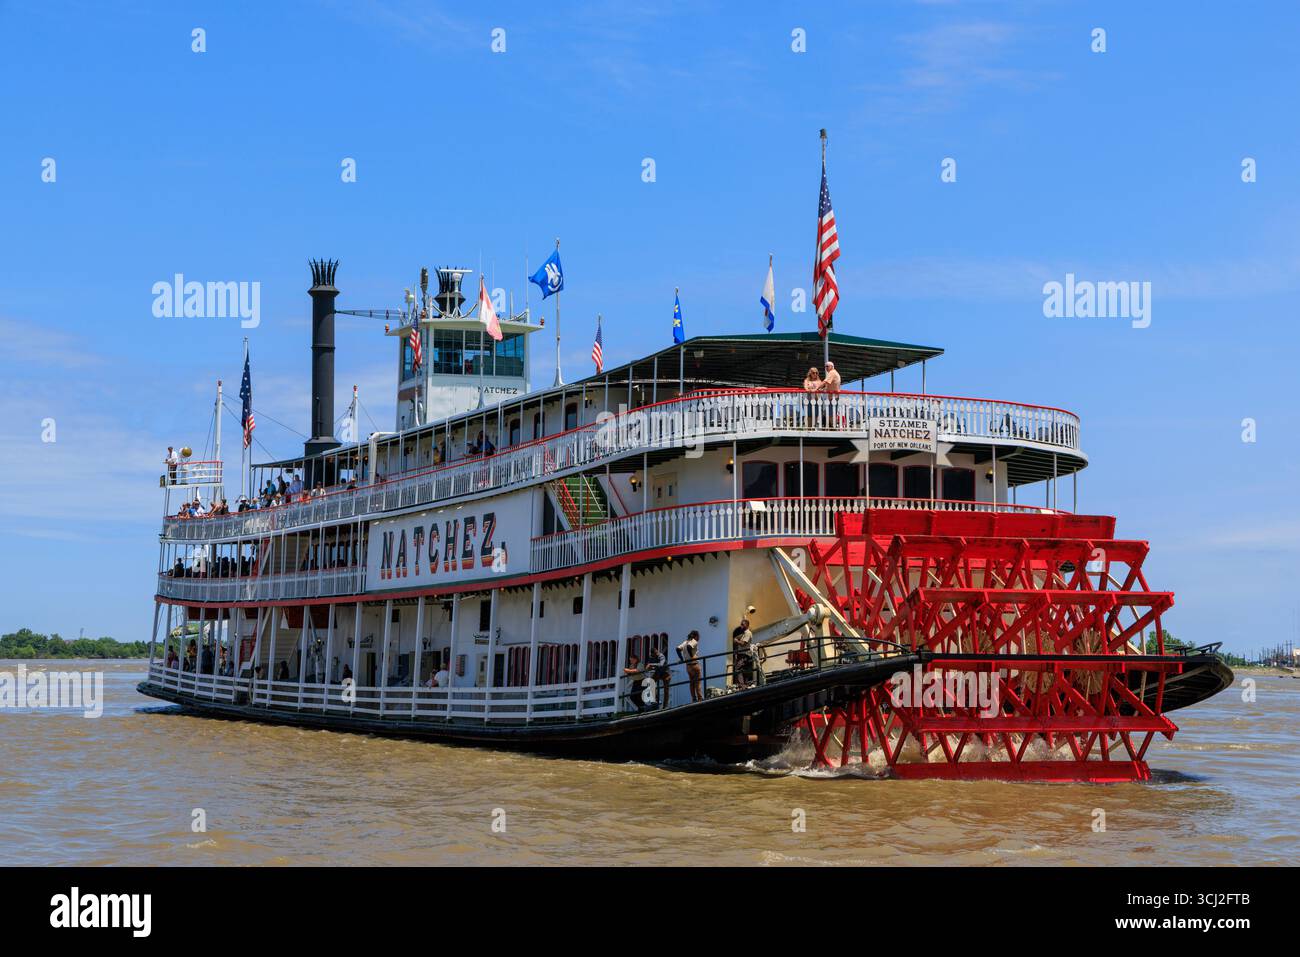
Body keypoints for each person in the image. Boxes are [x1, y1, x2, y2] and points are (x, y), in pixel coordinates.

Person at [677, 630, 703, 702]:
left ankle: (693, 698)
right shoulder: (694, 641)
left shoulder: (685, 642)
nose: (699, 638)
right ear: (696, 636)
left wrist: (681, 659)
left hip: (688, 666)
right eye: (698, 636)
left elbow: (677, 649)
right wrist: (692, 656)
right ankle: (700, 698)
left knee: (692, 683)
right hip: (695, 664)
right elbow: (689, 647)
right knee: (698, 682)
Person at [732, 618, 755, 689]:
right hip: (743, 654)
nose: (741, 626)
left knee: (738, 669)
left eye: (742, 624)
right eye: (741, 624)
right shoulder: (744, 633)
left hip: (744, 654)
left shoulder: (747, 633)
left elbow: (743, 644)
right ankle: (745, 685)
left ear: (747, 625)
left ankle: (742, 686)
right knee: (743, 669)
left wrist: (736, 641)